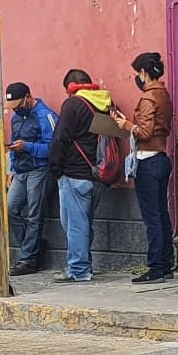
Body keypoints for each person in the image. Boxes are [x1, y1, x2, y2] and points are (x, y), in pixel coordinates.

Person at [110, 52, 175, 284]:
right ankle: (165, 264)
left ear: (144, 73)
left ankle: (156, 267)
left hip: (147, 160)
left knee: (152, 218)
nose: (137, 78)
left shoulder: (148, 98)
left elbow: (144, 131)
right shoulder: (164, 94)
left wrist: (126, 124)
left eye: (138, 73)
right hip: (161, 158)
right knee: (162, 215)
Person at [47, 69, 114, 283]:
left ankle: (78, 269)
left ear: (71, 87)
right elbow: (109, 137)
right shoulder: (104, 103)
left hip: (74, 175)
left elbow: (60, 139)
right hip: (98, 175)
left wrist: (55, 169)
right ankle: (85, 263)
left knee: (75, 225)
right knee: (84, 223)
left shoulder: (74, 105)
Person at [3, 82, 57, 276]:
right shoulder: (16, 118)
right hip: (20, 171)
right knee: (10, 209)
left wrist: (27, 147)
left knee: (35, 215)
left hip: (39, 170)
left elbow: (53, 149)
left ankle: (28, 259)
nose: (15, 109)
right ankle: (33, 248)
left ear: (28, 97)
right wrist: (11, 169)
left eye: (17, 104)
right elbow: (13, 144)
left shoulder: (46, 115)